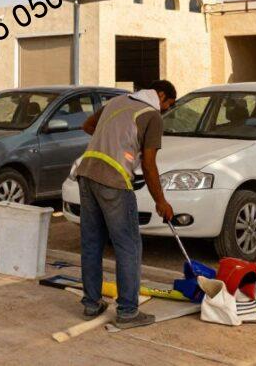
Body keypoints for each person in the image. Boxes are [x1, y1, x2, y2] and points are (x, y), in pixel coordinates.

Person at [74, 79, 177, 328]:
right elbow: (149, 164)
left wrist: (113, 141)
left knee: (92, 243)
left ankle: (91, 304)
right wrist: (161, 201)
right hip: (114, 179)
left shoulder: (117, 101)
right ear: (161, 95)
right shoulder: (152, 115)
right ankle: (128, 312)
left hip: (86, 172)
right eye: (169, 104)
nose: (166, 110)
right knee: (128, 246)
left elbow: (88, 125)